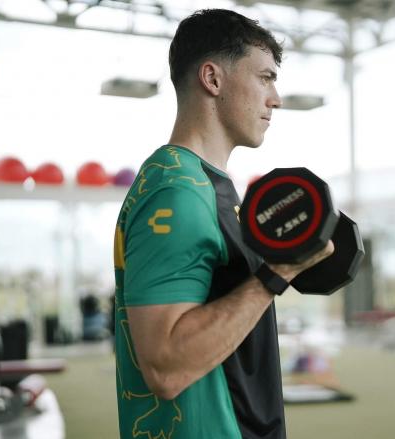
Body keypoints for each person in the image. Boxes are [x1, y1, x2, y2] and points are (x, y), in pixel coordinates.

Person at [113, 8, 333, 439]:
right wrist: (280, 270)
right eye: (265, 78)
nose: (277, 98)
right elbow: (165, 366)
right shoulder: (175, 191)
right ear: (212, 79)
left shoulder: (208, 184)